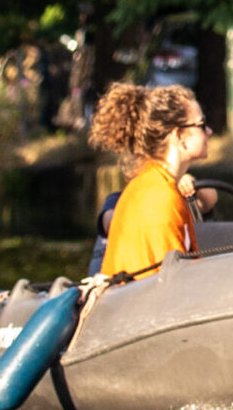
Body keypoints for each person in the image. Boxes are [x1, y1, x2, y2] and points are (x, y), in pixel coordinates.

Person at [88, 83, 210, 280]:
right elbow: (172, 284)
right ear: (178, 135)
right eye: (201, 125)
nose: (209, 132)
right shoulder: (160, 197)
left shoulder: (156, 185)